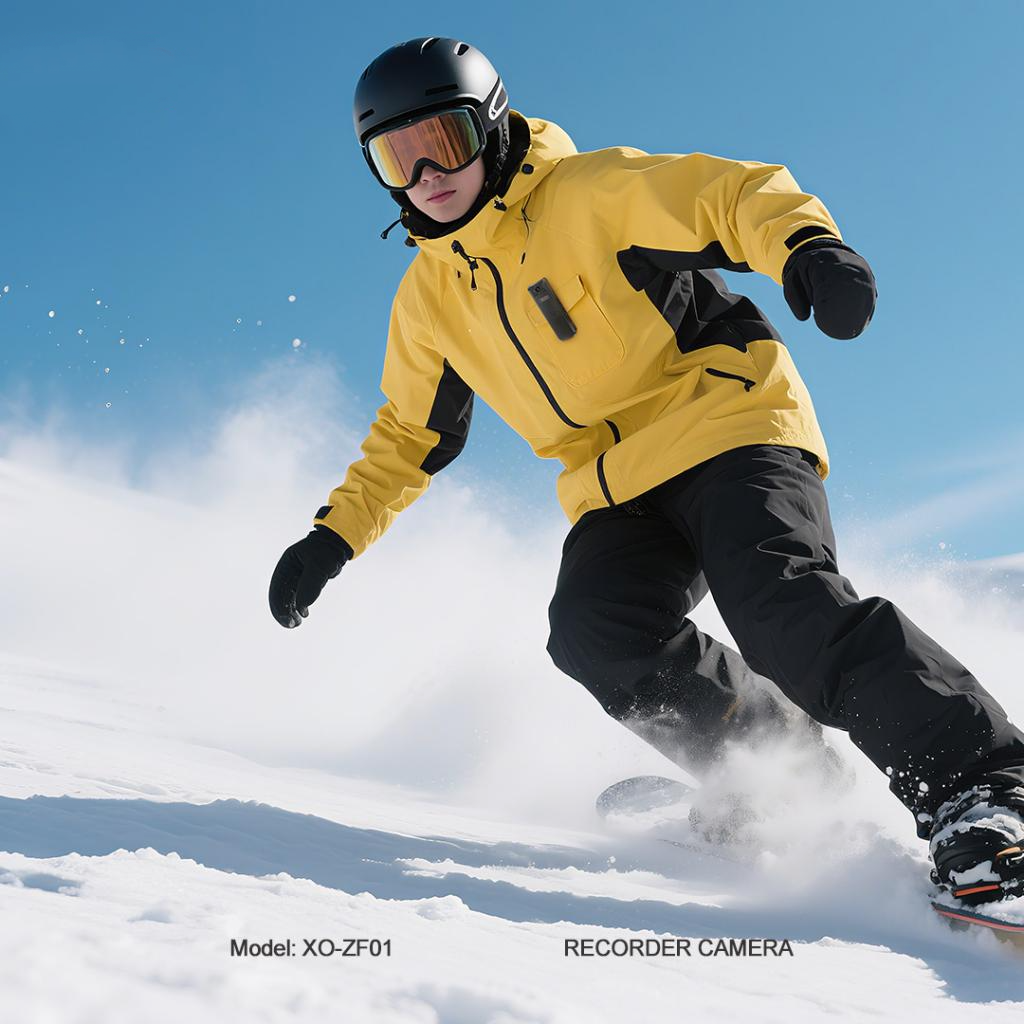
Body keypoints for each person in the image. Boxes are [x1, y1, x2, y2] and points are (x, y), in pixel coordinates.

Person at [269, 36, 1024, 904]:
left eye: (445, 140)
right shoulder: (429, 298)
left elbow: (731, 194)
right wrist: (331, 538)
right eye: (396, 158)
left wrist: (809, 247)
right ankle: (777, 773)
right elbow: (410, 434)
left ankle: (986, 788)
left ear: (493, 125)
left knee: (776, 603)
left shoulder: (588, 194)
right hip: (614, 489)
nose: (426, 175)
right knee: (594, 630)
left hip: (728, 426)